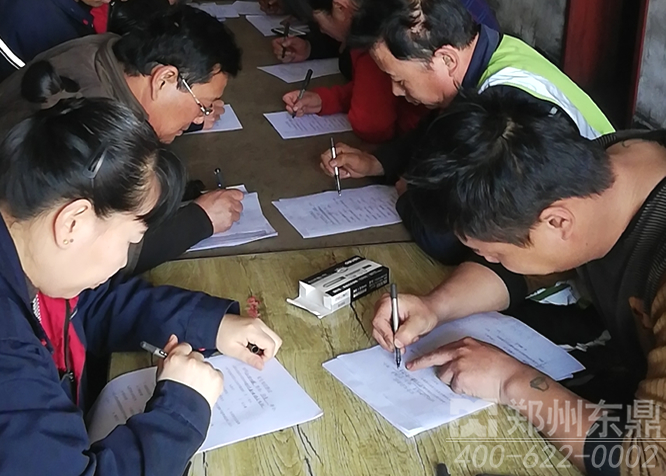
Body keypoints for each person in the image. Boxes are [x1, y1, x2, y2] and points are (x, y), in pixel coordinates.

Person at [371, 89, 666, 475]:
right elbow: (527, 267)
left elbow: (649, 463)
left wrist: (511, 379)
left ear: (558, 223)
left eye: (495, 254)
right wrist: (435, 307)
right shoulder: (595, 173)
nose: (490, 261)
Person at [0, 97, 282, 475]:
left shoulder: (28, 253)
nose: (123, 259)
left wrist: (211, 324)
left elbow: (94, 306)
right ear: (73, 223)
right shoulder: (7, 355)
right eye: (131, 237)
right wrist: (182, 410)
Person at [319, 0, 614, 264]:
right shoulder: (490, 53)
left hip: (580, 269)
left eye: (399, 79)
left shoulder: (503, 110)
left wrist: (410, 196)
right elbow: (438, 127)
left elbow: (450, 238)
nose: (396, 91)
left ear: (446, 60)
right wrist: (379, 162)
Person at [0, 5, 244, 275]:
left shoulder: (105, 50)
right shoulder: (102, 130)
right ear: (165, 79)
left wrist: (181, 122)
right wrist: (201, 220)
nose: (201, 117)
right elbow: (101, 257)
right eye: (203, 105)